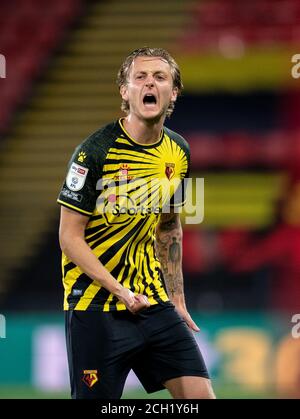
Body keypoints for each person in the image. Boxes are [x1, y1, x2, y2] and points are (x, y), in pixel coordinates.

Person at [57, 47, 215, 399]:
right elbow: (69, 237)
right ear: (125, 91)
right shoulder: (94, 152)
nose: (149, 83)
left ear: (173, 92)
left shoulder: (178, 151)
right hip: (96, 307)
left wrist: (177, 298)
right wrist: (120, 291)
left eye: (160, 77)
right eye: (139, 77)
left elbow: (169, 226)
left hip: (153, 301)